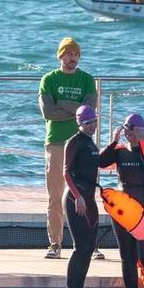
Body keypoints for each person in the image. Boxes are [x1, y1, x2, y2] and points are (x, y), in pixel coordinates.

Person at [98, 112, 144, 288]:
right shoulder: (119, 152)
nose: (130, 133)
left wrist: (140, 141)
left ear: (142, 130)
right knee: (127, 255)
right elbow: (100, 163)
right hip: (124, 210)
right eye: (127, 128)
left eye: (133, 129)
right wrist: (113, 141)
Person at [40, 37, 99, 260]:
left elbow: (90, 111)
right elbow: (48, 112)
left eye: (76, 54)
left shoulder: (86, 80)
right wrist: (77, 111)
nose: (72, 58)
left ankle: (89, 245)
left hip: (82, 142)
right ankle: (55, 243)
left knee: (86, 195)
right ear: (60, 56)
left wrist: (61, 103)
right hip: (55, 141)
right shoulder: (49, 80)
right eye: (68, 54)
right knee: (55, 196)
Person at [60, 103, 102, 288]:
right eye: (87, 122)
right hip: (76, 198)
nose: (92, 125)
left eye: (94, 121)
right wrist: (78, 197)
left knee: (88, 247)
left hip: (89, 197)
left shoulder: (91, 144)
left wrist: (115, 142)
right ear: (79, 123)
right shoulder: (74, 142)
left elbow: (100, 163)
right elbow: (66, 173)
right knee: (80, 247)